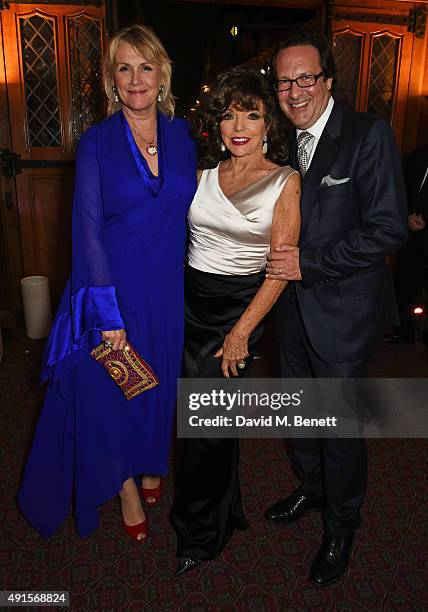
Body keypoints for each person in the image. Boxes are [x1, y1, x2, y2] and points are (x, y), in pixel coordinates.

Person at [17, 25, 196, 541]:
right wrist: (106, 314)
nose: (136, 78)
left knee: (155, 385)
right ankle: (124, 485)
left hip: (165, 290)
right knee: (109, 392)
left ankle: (148, 458)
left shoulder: (185, 136)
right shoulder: (96, 143)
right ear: (110, 79)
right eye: (124, 68)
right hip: (109, 290)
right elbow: (87, 230)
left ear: (162, 73)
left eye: (146, 66)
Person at [264, 29, 408, 587]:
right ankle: (313, 487)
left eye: (306, 78)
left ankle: (343, 525)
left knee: (339, 426)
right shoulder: (279, 140)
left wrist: (311, 263)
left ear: (327, 81)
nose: (295, 91)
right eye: (284, 81)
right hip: (291, 311)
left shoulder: (368, 135)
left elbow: (388, 228)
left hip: (343, 312)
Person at [171, 66, 301, 576]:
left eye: (252, 112)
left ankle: (198, 536)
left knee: (202, 426)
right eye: (228, 115)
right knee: (211, 424)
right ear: (216, 123)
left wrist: (242, 333)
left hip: (237, 313)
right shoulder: (202, 174)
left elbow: (280, 268)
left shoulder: (285, 182)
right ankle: (225, 509)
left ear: (269, 121)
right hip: (186, 305)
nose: (239, 125)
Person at [390, 146, 428, 344]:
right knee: (405, 284)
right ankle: (403, 331)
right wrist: (405, 217)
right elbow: (400, 189)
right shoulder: (417, 156)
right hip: (410, 236)